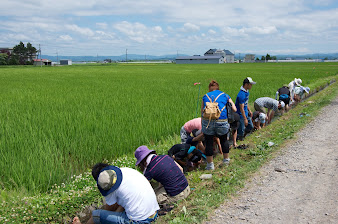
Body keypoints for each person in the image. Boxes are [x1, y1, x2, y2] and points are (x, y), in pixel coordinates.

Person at [72, 163, 159, 224]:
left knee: (96, 215)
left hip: (140, 221)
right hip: (154, 213)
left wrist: (104, 216)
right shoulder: (126, 171)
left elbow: (109, 209)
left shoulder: (110, 185)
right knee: (122, 204)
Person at [201, 80, 236, 170]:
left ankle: (210, 165)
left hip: (207, 121)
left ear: (209, 88)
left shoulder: (205, 96)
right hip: (222, 120)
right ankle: (226, 161)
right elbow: (234, 109)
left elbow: (202, 112)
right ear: (218, 88)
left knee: (208, 142)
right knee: (224, 140)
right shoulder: (225, 95)